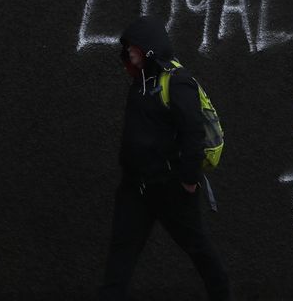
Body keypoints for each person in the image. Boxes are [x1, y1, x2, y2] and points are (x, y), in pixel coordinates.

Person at [98, 15, 232, 300]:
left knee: (200, 251)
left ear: (148, 46)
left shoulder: (177, 81)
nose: (129, 51)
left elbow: (192, 133)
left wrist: (188, 181)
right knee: (119, 260)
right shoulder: (140, 80)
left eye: (133, 45)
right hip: (136, 189)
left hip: (171, 189)